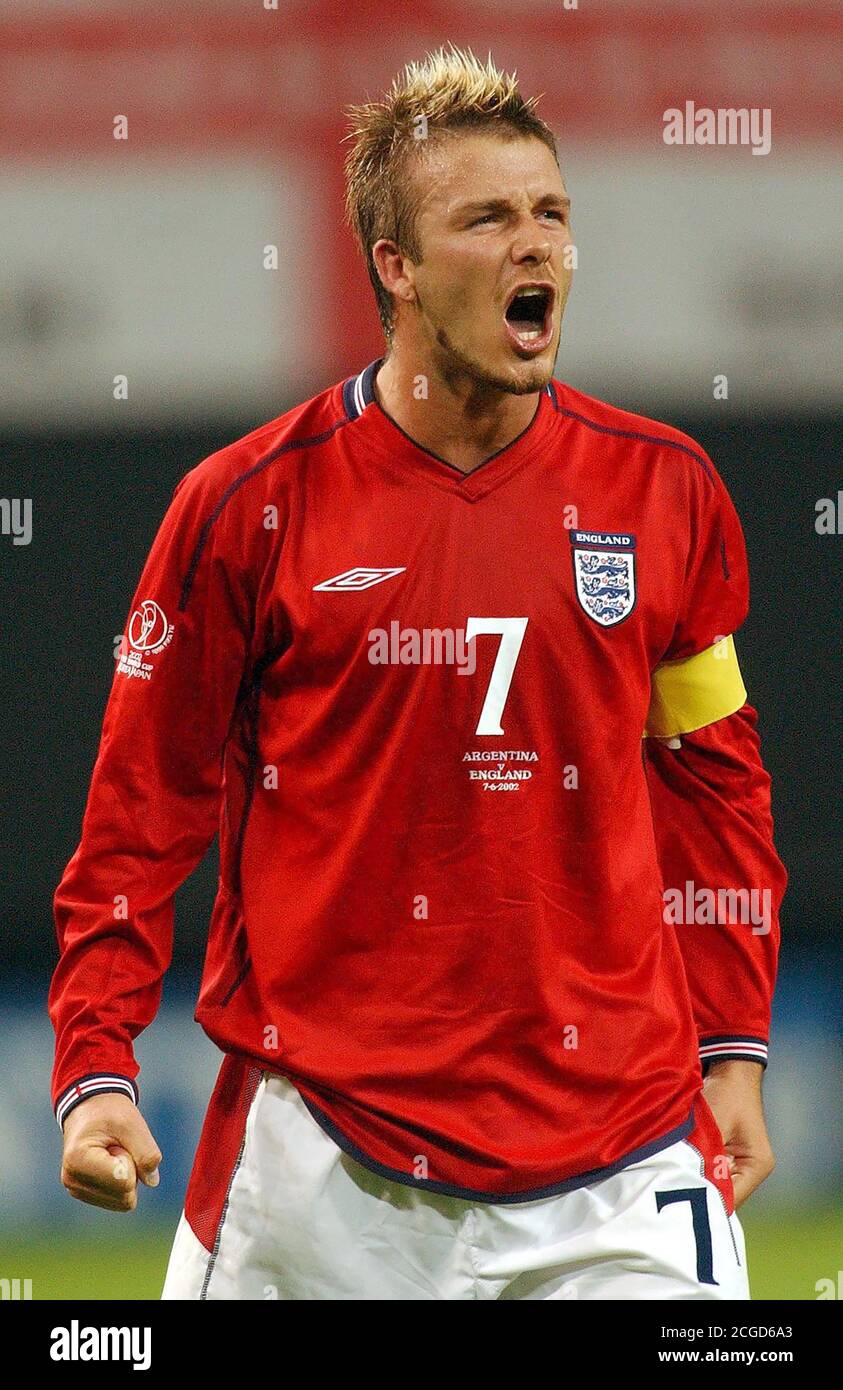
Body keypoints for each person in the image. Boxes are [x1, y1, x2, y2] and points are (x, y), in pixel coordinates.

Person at [49, 45, 787, 1301]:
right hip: (320, 1165)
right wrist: (97, 1066)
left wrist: (732, 1045)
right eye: (487, 218)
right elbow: (139, 812)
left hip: (623, 1158)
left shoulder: (665, 491)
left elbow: (713, 787)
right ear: (394, 267)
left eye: (551, 213)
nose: (534, 245)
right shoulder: (244, 508)